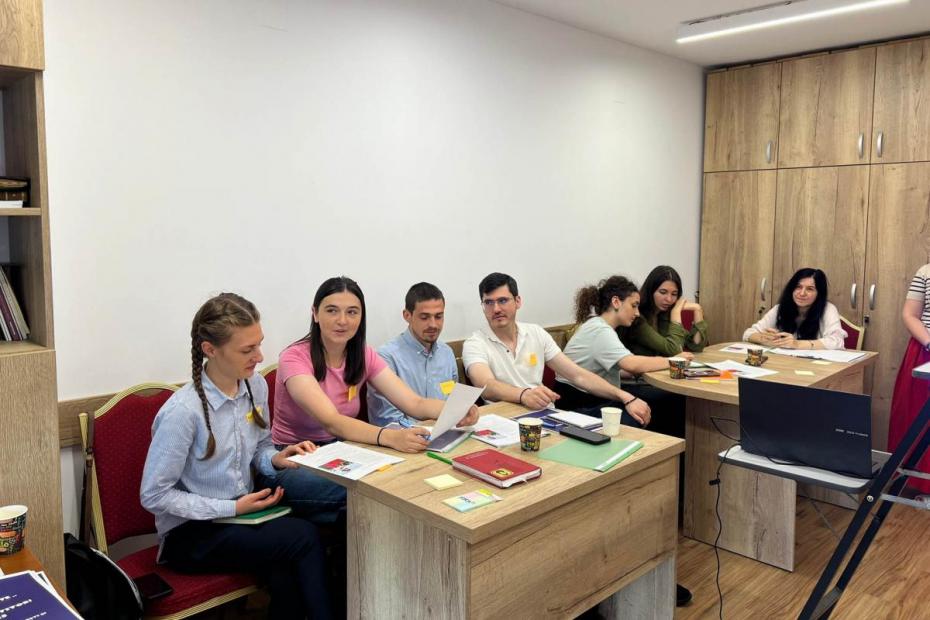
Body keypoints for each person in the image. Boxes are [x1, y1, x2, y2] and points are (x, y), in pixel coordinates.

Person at [140, 293, 331, 619]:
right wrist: (232, 508)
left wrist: (275, 459)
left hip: (240, 516)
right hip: (191, 533)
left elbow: (260, 447)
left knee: (289, 562)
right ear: (210, 349)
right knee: (303, 538)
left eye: (259, 344)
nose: (259, 356)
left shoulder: (255, 386)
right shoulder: (183, 412)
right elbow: (154, 495)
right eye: (247, 349)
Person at [272, 276, 478, 454]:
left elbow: (414, 403)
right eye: (332, 311)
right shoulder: (294, 358)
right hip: (297, 452)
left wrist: (458, 410)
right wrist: (390, 437)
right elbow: (332, 421)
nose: (342, 320)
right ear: (315, 313)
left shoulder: (363, 354)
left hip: (343, 446)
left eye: (352, 312)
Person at [462, 272, 651, 426]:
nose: (496, 309)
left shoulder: (535, 333)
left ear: (518, 301)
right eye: (489, 302)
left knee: (628, 415)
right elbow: (486, 386)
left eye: (503, 300)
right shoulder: (475, 343)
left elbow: (578, 375)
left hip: (548, 417)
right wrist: (524, 395)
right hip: (504, 421)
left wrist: (626, 396)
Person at [558, 275, 693, 430]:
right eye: (634, 305)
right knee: (653, 408)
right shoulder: (600, 330)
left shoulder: (597, 325)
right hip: (579, 404)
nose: (637, 313)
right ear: (616, 302)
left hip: (591, 396)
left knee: (668, 397)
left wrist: (633, 372)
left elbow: (605, 368)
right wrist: (674, 360)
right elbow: (631, 364)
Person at [367, 282, 459, 427]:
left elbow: (453, 401)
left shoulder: (446, 353)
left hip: (447, 431)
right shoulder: (387, 357)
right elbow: (388, 420)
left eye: (438, 316)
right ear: (407, 315)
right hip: (406, 436)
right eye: (424, 317)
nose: (433, 324)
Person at [889, 263, 930, 497]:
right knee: (918, 416)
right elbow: (910, 314)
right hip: (925, 348)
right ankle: (919, 480)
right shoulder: (926, 271)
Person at [742, 268, 847, 350]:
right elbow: (748, 334)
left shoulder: (828, 309)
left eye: (810, 289)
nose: (802, 293)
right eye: (798, 287)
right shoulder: (779, 308)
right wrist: (765, 339)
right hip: (785, 363)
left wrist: (796, 344)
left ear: (819, 294)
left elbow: (837, 342)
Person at [621, 265, 708, 356]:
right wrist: (676, 312)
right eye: (663, 292)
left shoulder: (663, 313)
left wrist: (698, 309)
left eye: (674, 294)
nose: (669, 299)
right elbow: (674, 350)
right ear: (651, 290)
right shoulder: (637, 317)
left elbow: (696, 346)